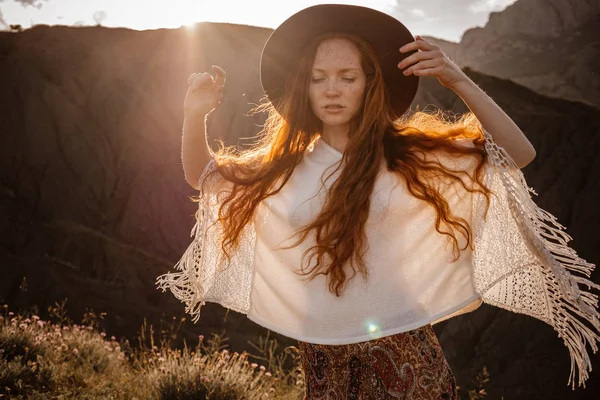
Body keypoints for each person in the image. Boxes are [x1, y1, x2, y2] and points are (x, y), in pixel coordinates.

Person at [157, 4, 599, 398]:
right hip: (323, 362)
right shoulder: (285, 167)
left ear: (369, 84)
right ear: (304, 87)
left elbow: (518, 154)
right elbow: (205, 177)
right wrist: (195, 115)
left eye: (348, 77)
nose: (332, 90)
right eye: (318, 78)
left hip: (405, 356)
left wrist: (456, 78)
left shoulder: (408, 154)